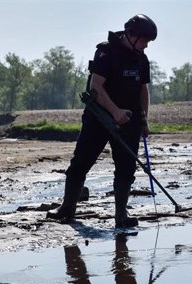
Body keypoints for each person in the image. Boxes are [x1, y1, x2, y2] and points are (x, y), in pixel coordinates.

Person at [47, 14, 157, 228]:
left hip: (129, 121)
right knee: (80, 163)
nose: (146, 46)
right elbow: (95, 87)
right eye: (144, 40)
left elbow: (143, 90)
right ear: (131, 35)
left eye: (148, 42)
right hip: (99, 119)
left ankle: (121, 215)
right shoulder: (106, 52)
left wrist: (144, 121)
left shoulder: (141, 59)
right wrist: (115, 112)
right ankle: (67, 209)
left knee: (126, 168)